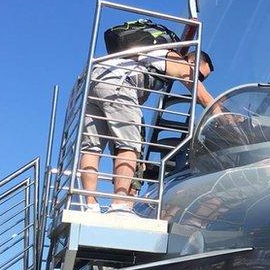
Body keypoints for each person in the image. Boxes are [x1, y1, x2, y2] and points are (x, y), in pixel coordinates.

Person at [79, 45, 217, 215]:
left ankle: (90, 205)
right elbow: (203, 97)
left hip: (96, 79)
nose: (198, 79)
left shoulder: (153, 54)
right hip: (119, 84)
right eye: (200, 76)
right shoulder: (176, 60)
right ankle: (119, 205)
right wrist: (228, 117)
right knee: (130, 146)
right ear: (193, 61)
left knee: (91, 148)